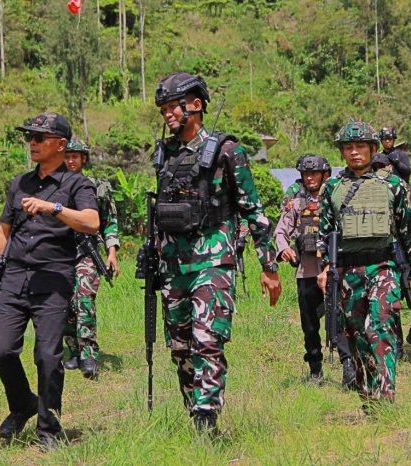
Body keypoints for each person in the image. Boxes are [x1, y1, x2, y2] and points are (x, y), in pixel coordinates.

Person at [153, 72, 282, 432]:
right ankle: (194, 409)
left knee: (207, 339)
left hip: (214, 259)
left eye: (172, 107)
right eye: (163, 109)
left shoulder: (227, 150)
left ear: (195, 105)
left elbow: (253, 210)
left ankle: (206, 419)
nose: (167, 115)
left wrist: (268, 266)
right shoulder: (164, 153)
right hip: (174, 263)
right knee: (180, 347)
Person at [0, 112, 99, 450]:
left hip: (53, 279)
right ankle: (22, 405)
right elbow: (2, 231)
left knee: (49, 357)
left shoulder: (78, 184)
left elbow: (92, 222)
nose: (32, 143)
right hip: (14, 278)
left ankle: (48, 428)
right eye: (29, 138)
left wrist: (54, 208)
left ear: (61, 145)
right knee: (1, 350)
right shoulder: (19, 183)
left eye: (39, 138)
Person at [316, 121, 411, 411]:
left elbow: (409, 233)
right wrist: (324, 269)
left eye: (360, 146)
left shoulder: (393, 185)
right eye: (348, 148)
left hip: (383, 267)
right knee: (357, 338)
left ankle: (386, 398)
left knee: (381, 327)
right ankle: (368, 397)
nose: (354, 152)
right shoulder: (331, 188)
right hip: (348, 273)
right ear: (342, 152)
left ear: (373, 150)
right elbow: (324, 234)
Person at [274, 154, 356, 388]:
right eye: (306, 174)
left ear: (324, 175)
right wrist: (284, 249)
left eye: (314, 174)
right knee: (310, 325)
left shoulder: (336, 197)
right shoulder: (296, 202)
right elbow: (281, 231)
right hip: (306, 271)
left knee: (339, 318)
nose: (310, 178)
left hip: (333, 269)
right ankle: (315, 370)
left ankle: (348, 365)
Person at [61, 136, 120, 378]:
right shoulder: (53, 186)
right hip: (60, 253)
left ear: (83, 158)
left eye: (75, 156)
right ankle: (73, 350)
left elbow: (109, 222)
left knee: (83, 300)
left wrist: (112, 252)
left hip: (87, 250)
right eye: (66, 156)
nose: (70, 161)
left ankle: (89, 354)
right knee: (64, 303)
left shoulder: (97, 187)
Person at [372, 152, 411, 357]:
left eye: (384, 165)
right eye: (376, 166)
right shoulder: (364, 190)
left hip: (409, 249)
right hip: (382, 253)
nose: (380, 169)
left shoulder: (400, 186)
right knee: (391, 297)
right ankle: (396, 341)